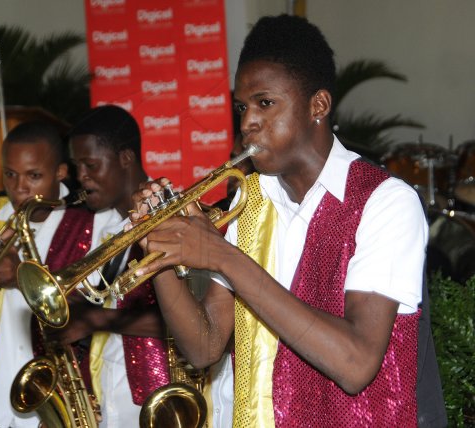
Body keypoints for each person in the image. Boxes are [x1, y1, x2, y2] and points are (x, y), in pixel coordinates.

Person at [130, 15, 443, 426]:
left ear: (318, 105)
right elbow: (204, 347)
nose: (247, 123)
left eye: (265, 103)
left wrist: (223, 256)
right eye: (242, 108)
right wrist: (160, 257)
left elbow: (355, 364)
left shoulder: (386, 202)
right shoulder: (251, 199)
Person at [0, 121, 94, 428]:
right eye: (10, 174)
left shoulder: (85, 219)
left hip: (61, 386)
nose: (19, 187)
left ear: (61, 173)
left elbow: (91, 311)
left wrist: (17, 279)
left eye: (33, 176)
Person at [51, 105, 172, 427]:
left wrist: (96, 319)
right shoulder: (99, 226)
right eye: (78, 166)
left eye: (91, 165)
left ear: (125, 159)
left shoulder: (173, 216)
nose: (82, 177)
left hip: (159, 399)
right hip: (105, 396)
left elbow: (188, 320)